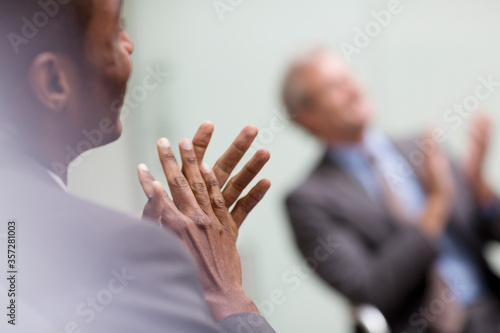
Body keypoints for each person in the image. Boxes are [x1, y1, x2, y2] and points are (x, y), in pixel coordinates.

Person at [0, 1, 274, 332]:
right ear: (55, 82)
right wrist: (226, 296)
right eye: (116, 31)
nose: (129, 44)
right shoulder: (124, 252)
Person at [283, 49, 500, 333]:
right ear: (306, 116)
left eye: (350, 77)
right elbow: (369, 287)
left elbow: (491, 234)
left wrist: (478, 185)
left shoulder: (423, 149)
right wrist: (436, 206)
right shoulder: (309, 200)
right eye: (335, 86)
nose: (353, 89)